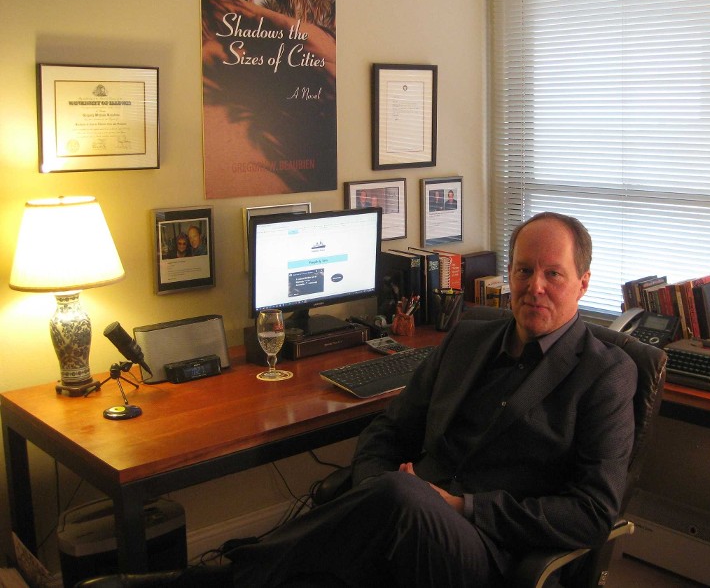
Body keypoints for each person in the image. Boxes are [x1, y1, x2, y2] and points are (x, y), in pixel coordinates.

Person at [222, 212, 637, 588]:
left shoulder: (605, 375)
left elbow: (592, 513)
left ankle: (225, 575)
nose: (535, 287)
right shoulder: (467, 339)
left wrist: (460, 506)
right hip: (405, 515)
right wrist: (372, 494)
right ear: (509, 273)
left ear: (583, 283)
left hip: (494, 550)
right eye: (524, 270)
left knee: (392, 504)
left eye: (554, 274)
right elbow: (387, 429)